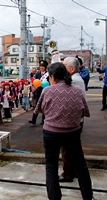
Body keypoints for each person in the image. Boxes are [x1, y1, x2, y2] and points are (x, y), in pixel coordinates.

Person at [34, 62, 93, 200]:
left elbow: (38, 110)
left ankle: (55, 197)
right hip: (72, 133)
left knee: (51, 166)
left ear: (53, 77)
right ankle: (87, 196)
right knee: (80, 166)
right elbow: (86, 112)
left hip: (51, 133)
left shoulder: (47, 91)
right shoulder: (77, 90)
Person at [28, 60, 48, 125]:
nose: (41, 67)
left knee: (45, 105)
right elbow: (34, 82)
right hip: (38, 91)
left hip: (45, 91)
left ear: (45, 67)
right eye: (40, 66)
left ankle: (43, 120)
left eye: (43, 66)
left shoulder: (48, 74)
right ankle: (33, 120)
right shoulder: (37, 74)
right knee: (37, 105)